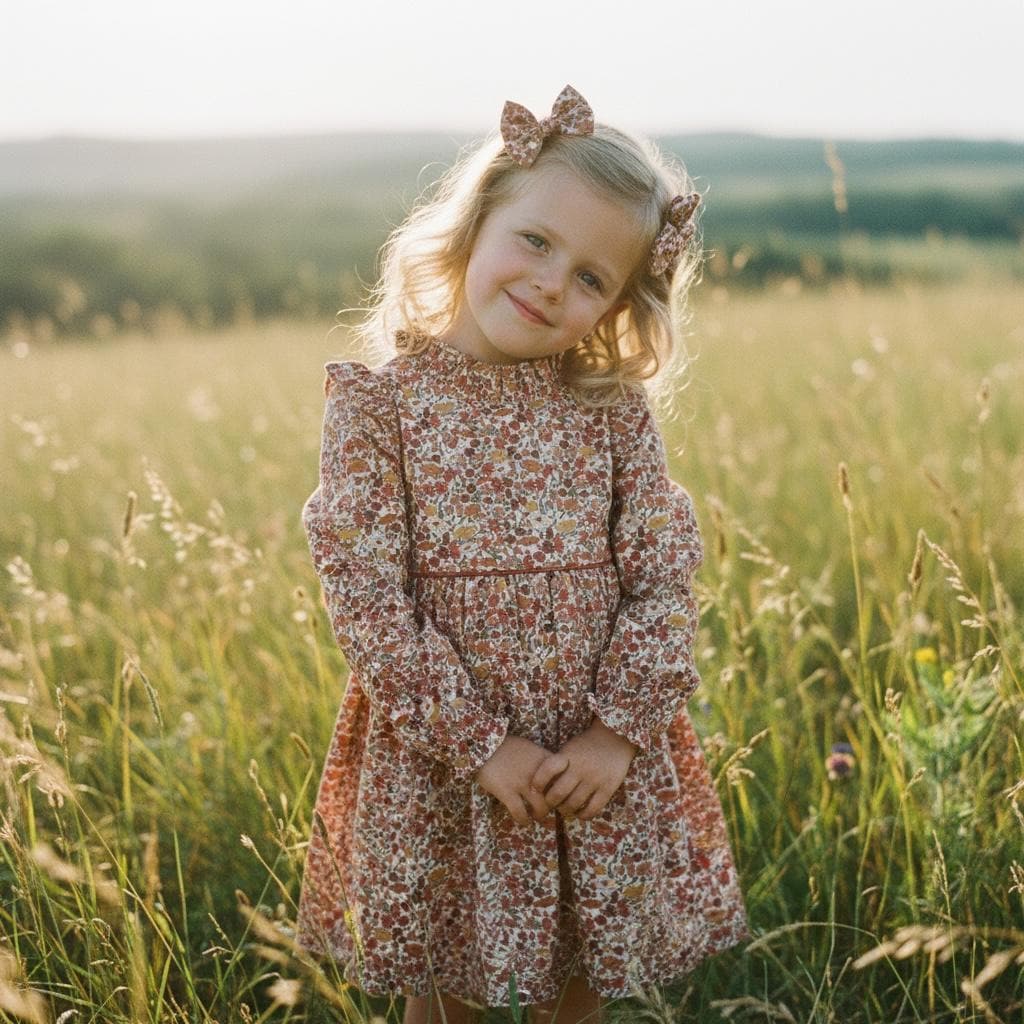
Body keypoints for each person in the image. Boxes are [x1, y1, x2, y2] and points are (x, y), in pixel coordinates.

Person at [294, 84, 751, 1024]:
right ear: (475, 223)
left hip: (596, 756)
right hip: (449, 760)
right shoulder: (379, 408)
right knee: (451, 985)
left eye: (591, 277)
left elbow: (664, 575)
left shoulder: (612, 416)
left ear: (618, 307)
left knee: (582, 976)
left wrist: (618, 731)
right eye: (536, 242)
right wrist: (480, 745)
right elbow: (368, 597)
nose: (552, 282)